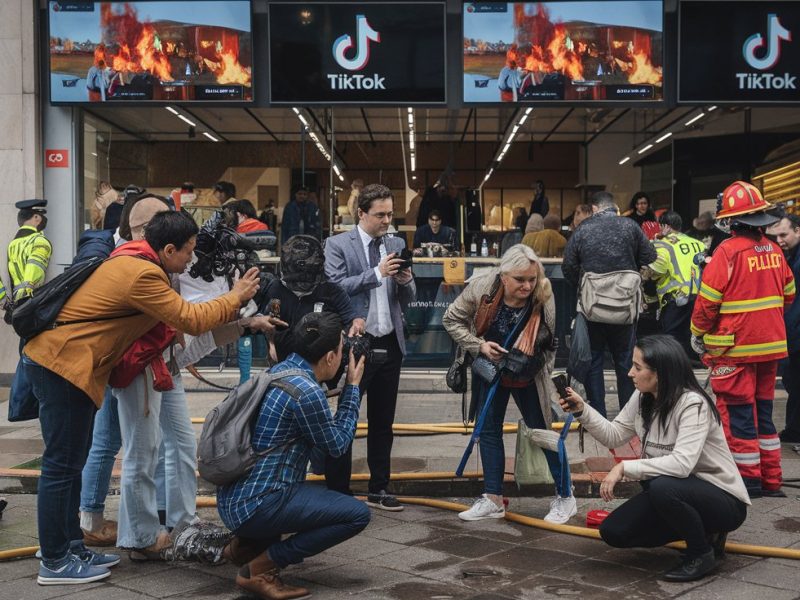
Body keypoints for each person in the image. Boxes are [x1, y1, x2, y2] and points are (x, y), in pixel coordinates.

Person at [23, 210, 260, 586]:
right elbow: (190, 319)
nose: (190, 261)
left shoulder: (134, 257)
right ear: (168, 249)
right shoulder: (144, 273)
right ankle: (54, 560)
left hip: (69, 364)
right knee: (61, 467)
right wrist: (235, 296)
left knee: (71, 462)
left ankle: (70, 545)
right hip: (63, 365)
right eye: (188, 252)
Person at [560, 335, 750, 582]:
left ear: (660, 373)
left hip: (723, 500)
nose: (630, 373)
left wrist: (625, 468)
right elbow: (613, 435)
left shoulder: (693, 404)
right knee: (614, 532)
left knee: (661, 485)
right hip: (674, 491)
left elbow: (682, 464)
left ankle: (701, 553)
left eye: (637, 367)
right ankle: (704, 532)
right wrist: (582, 410)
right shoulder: (642, 398)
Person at [217, 312, 370, 600]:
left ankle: (244, 548)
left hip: (233, 499)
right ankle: (261, 568)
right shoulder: (306, 391)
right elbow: (337, 445)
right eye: (341, 348)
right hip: (258, 505)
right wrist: (352, 389)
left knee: (303, 492)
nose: (343, 354)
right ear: (329, 358)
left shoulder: (280, 369)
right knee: (356, 514)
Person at [443, 244, 575, 523]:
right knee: (489, 431)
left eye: (532, 278)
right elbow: (451, 318)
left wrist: (543, 376)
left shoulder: (544, 292)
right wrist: (478, 345)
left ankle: (566, 497)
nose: (527, 285)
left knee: (544, 433)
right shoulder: (481, 287)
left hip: (529, 372)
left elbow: (551, 343)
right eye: (520, 279)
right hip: (489, 369)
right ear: (504, 276)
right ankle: (492, 499)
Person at [691, 181, 794, 497]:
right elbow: (788, 295)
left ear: (731, 221)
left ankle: (747, 481)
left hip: (734, 350)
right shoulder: (775, 251)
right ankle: (771, 480)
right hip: (770, 348)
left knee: (738, 419)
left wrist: (697, 334)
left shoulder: (727, 251)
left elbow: (708, 303)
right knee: (763, 416)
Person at [324, 183, 416, 510]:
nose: (386, 221)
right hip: (354, 344)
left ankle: (379, 487)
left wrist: (406, 281)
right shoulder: (337, 244)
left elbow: (408, 296)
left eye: (390, 214)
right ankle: (338, 490)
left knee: (383, 421)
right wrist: (376, 273)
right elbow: (334, 287)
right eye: (380, 215)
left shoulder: (395, 243)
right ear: (361, 213)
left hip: (390, 341)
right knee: (346, 417)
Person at [562, 192, 657, 417]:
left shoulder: (583, 230)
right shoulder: (631, 226)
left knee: (594, 360)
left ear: (594, 209)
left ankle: (598, 414)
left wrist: (585, 286)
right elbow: (650, 256)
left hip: (592, 309)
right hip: (625, 310)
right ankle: (627, 415)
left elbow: (568, 267)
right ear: (613, 207)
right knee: (626, 360)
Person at [261, 235, 362, 362]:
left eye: (306, 279)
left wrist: (357, 323)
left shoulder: (332, 292)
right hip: (282, 361)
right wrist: (271, 344)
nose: (301, 285)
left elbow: (352, 320)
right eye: (297, 281)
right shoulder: (275, 289)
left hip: (324, 365)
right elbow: (265, 324)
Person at [645, 211, 705, 358]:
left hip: (675, 300)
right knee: (693, 338)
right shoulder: (698, 244)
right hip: (699, 297)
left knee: (671, 341)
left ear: (666, 226)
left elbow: (656, 271)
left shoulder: (662, 245)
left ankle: (675, 372)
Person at [767, 215, 800, 443]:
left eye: (784, 234)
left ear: (798, 230)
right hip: (794, 332)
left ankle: (795, 431)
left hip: (796, 333)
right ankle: (794, 429)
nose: (779, 240)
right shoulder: (793, 257)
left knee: (795, 382)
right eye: (776, 235)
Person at [6, 199, 51, 303]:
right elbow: (34, 267)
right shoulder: (39, 241)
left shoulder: (12, 244)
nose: (44, 219)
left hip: (15, 300)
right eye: (42, 215)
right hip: (32, 299)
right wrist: (28, 292)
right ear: (36, 217)